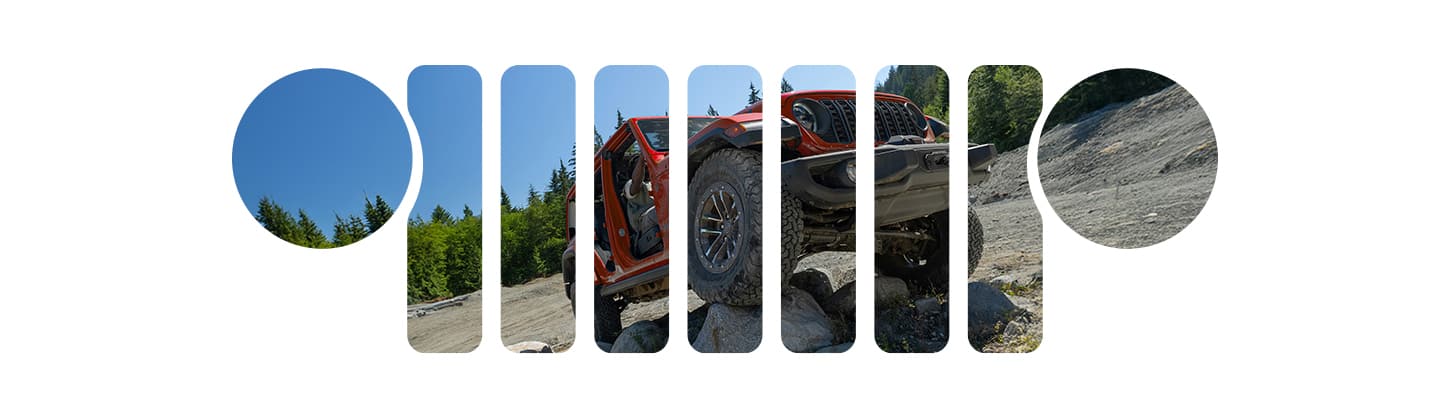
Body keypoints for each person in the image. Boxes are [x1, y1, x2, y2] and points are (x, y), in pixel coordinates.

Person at [623, 158, 660, 256]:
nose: (646, 165)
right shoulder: (629, 185)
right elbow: (636, 183)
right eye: (641, 164)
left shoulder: (657, 179)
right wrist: (641, 159)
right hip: (644, 220)